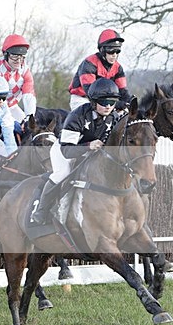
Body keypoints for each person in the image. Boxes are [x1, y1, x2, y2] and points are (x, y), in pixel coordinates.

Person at [30, 78, 122, 225]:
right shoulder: (77, 116)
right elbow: (67, 151)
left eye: (113, 102)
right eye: (104, 102)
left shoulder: (114, 117)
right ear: (93, 102)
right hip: (64, 150)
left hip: (91, 151)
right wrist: (88, 146)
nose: (109, 106)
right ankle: (41, 211)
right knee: (63, 173)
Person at [68, 29, 132, 111]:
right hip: (82, 99)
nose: (114, 55)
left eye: (117, 51)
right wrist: (116, 104)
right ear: (102, 50)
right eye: (111, 51)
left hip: (105, 101)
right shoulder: (89, 63)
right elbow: (91, 93)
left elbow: (123, 91)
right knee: (91, 116)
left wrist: (130, 102)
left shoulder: (118, 68)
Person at [0, 34, 37, 136]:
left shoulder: (25, 71)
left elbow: (29, 96)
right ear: (6, 55)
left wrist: (29, 117)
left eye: (22, 57)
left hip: (12, 106)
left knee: (28, 129)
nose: (18, 61)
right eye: (14, 56)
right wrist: (9, 119)